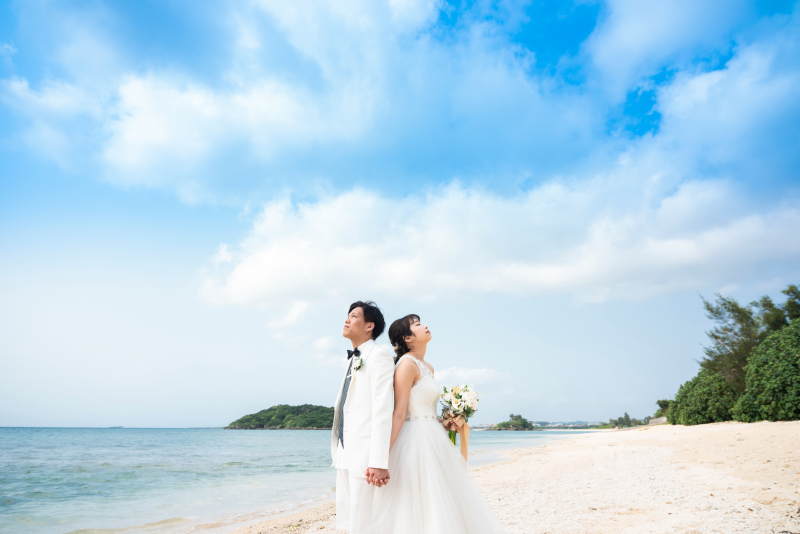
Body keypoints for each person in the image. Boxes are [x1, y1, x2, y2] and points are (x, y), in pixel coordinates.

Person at [373, 314, 502, 533]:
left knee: (443, 498)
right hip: (415, 441)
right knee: (421, 500)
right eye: (417, 324)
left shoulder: (428, 367)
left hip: (434, 436)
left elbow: (425, 408)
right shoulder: (406, 365)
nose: (425, 326)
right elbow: (399, 413)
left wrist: (445, 422)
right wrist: (382, 458)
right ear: (408, 338)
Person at [331, 301, 394, 533]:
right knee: (347, 520)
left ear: (370, 326)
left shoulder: (379, 356)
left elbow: (382, 409)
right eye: (347, 315)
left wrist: (378, 461)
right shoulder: (352, 359)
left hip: (366, 457)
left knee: (363, 522)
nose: (347, 319)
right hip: (345, 452)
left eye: (354, 316)